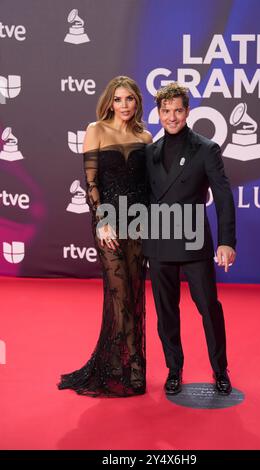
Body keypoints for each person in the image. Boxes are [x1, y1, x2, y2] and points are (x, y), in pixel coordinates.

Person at [58, 76, 152, 397]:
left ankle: (135, 365)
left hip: (139, 223)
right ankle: (115, 363)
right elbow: (92, 184)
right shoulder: (95, 130)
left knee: (137, 294)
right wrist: (102, 221)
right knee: (120, 293)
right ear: (109, 102)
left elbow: (148, 186)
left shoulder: (146, 136)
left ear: (137, 102)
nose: (124, 105)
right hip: (108, 223)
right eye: (118, 99)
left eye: (130, 99)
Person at [143, 82, 236, 396]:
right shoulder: (150, 153)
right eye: (166, 111)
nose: (172, 117)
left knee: (209, 307)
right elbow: (143, 198)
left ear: (187, 111)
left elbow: (223, 196)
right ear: (158, 113)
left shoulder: (206, 148)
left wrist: (227, 241)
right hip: (158, 241)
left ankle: (220, 369)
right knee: (166, 310)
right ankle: (174, 368)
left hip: (194, 239)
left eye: (178, 110)